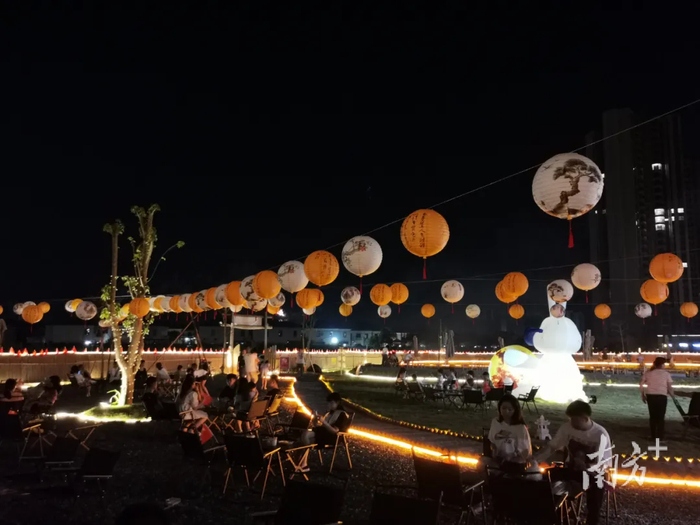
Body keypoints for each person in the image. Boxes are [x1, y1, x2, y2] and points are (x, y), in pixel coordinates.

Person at [536, 401, 611, 525]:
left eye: (574, 419)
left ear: (585, 418)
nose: (571, 422)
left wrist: (587, 466)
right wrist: (537, 460)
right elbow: (553, 446)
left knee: (597, 486)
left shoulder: (600, 434)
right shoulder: (567, 428)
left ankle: (592, 520)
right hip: (570, 469)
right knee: (544, 478)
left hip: (592, 473)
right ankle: (553, 514)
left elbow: (605, 463)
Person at [295, 392, 350, 470]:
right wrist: (315, 418)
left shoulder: (342, 414)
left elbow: (335, 431)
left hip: (333, 437)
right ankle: (301, 462)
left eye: (331, 403)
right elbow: (317, 426)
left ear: (337, 403)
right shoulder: (329, 414)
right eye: (328, 403)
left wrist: (324, 422)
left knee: (304, 438)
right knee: (304, 435)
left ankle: (302, 463)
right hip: (322, 433)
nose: (329, 405)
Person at [488, 395, 532, 467]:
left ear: (515, 410)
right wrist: (494, 451)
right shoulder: (496, 422)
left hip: (515, 463)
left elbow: (524, 450)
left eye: (510, 409)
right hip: (498, 458)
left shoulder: (520, 428)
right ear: (499, 408)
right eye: (504, 408)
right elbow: (492, 440)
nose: (506, 411)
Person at [640, 357, 675, 441]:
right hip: (662, 396)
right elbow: (669, 387)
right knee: (661, 417)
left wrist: (643, 395)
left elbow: (641, 384)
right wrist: (672, 395)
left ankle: (653, 435)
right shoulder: (666, 374)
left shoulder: (648, 373)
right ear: (662, 365)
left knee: (652, 416)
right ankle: (660, 436)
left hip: (651, 396)